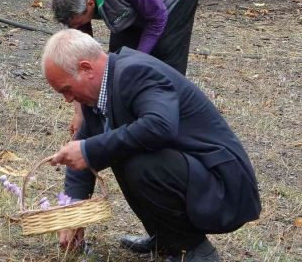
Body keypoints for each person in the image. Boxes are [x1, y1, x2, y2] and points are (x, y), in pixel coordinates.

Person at [42, 29, 261, 262]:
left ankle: (193, 249)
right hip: (197, 175)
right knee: (118, 147)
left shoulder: (135, 72)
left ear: (86, 69)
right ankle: (167, 237)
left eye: (66, 89)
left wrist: (90, 150)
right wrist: (73, 210)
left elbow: (160, 126)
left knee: (139, 162)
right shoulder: (98, 93)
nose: (68, 99)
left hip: (224, 187)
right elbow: (85, 146)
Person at [51, 0, 200, 135]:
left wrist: (136, 62)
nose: (79, 28)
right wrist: (80, 114)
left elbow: (157, 17)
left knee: (164, 57)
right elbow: (85, 63)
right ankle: (122, 126)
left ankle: (168, 125)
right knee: (119, 57)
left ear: (90, 4)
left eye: (80, 23)